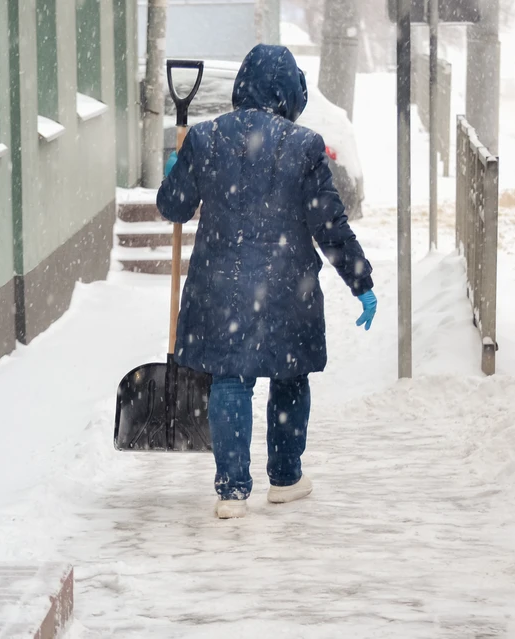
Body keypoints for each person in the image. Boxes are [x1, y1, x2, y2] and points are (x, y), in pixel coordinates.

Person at [157, 44, 376, 519]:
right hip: (285, 289)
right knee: (290, 377)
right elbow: (329, 225)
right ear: (290, 93)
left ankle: (232, 490)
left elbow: (173, 208)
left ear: (242, 85)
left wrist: (175, 172)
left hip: (220, 287)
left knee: (230, 382)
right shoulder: (303, 146)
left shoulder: (204, 139)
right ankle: (285, 477)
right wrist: (360, 281)